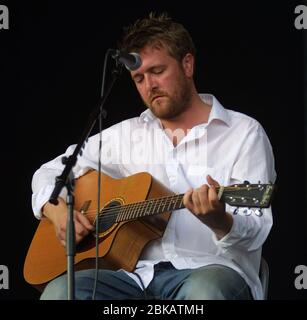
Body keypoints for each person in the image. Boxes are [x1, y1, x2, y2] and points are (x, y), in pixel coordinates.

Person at [31, 12, 276, 300]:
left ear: (187, 64)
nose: (149, 85)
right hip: (133, 279)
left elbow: (257, 226)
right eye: (139, 78)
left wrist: (220, 220)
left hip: (211, 270)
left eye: (157, 71)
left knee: (204, 292)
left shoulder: (243, 132)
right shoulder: (124, 135)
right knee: (61, 292)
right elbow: (48, 174)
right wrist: (57, 210)